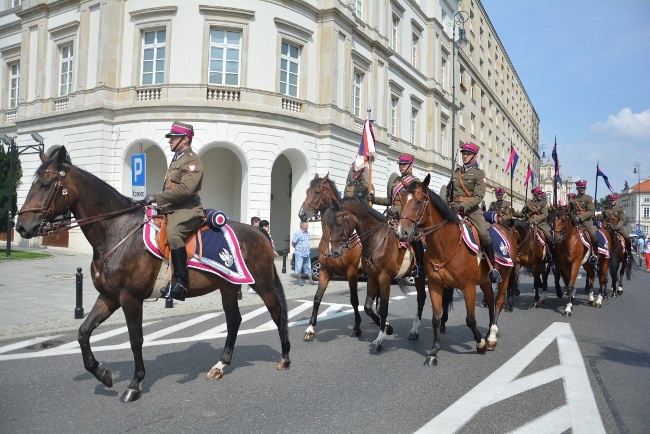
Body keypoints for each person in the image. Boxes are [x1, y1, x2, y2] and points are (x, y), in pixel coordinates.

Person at [145, 121, 204, 301]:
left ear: (185, 139)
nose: (170, 141)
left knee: (173, 233)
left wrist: (157, 197)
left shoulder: (192, 161)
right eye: (170, 137)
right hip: (172, 208)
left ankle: (181, 283)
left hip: (188, 209)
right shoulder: (177, 159)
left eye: (173, 138)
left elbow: (186, 190)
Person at [445, 143, 501, 283]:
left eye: (468, 154)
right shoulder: (456, 172)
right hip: (453, 208)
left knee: (483, 232)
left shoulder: (479, 174)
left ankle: (492, 268)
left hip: (471, 210)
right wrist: (446, 204)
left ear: (474, 156)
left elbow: (478, 197)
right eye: (463, 153)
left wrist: (463, 206)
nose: (465, 156)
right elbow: (448, 192)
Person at [368, 153, 425, 277]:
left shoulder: (415, 182)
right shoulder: (395, 181)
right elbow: (389, 200)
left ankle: (420, 265)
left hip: (406, 216)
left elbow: (414, 203)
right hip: (391, 215)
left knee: (415, 237)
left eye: (404, 164)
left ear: (411, 166)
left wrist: (398, 210)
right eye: (400, 164)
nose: (402, 167)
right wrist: (374, 199)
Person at [513, 186, 554, 262]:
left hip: (541, 223)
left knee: (548, 236)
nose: (540, 195)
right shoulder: (528, 203)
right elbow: (522, 214)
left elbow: (545, 214)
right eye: (538, 194)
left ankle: (550, 254)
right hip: (528, 222)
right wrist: (514, 213)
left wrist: (534, 221)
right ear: (534, 195)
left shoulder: (543, 202)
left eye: (541, 193)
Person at [567, 179, 598, 265]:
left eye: (583, 187)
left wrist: (580, 217)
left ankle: (594, 254)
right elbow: (569, 211)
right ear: (577, 188)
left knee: (593, 234)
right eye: (580, 188)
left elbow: (591, 212)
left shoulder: (588, 198)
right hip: (574, 221)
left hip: (586, 221)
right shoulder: (573, 199)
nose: (582, 189)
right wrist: (572, 217)